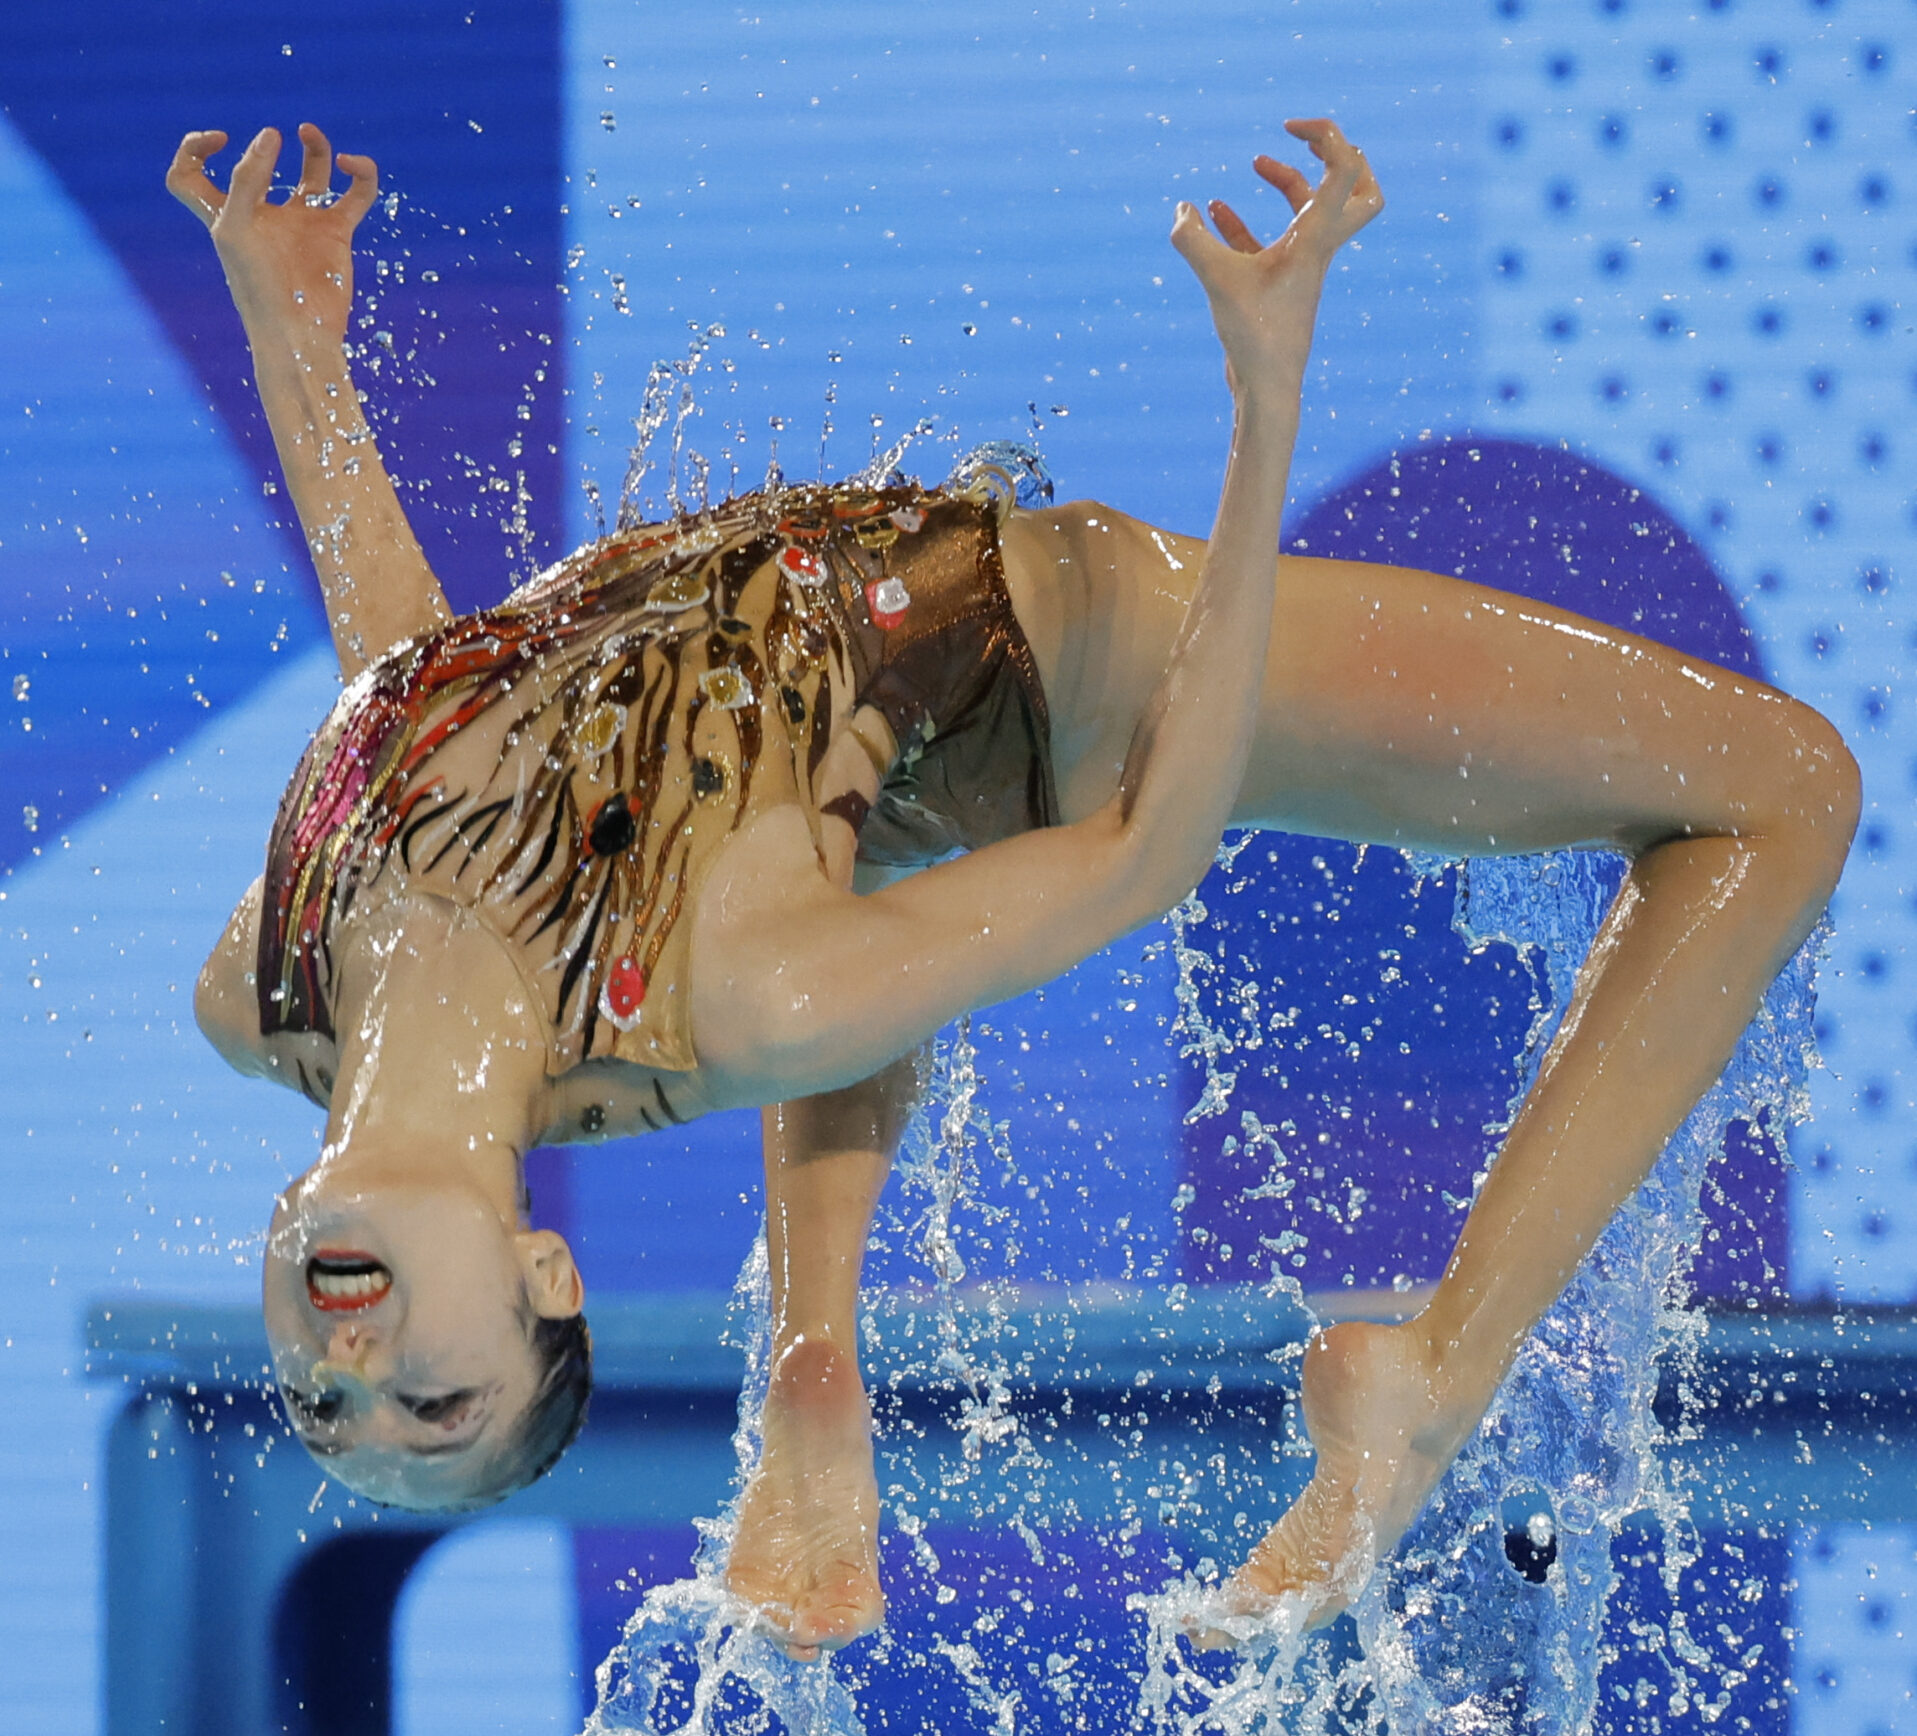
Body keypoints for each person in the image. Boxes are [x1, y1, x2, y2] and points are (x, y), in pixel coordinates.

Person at [168, 120, 1857, 1655]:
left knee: (829, 850)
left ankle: (811, 1359)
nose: (352, 1377)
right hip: (1100, 670)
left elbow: (412, 688)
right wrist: (1266, 405)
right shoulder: (734, 998)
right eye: (432, 1409)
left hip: (858, 772)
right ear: (550, 1279)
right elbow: (1144, 857)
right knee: (1781, 793)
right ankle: (1435, 1371)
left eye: (323, 1415)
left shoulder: (267, 987)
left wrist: (289, 333)